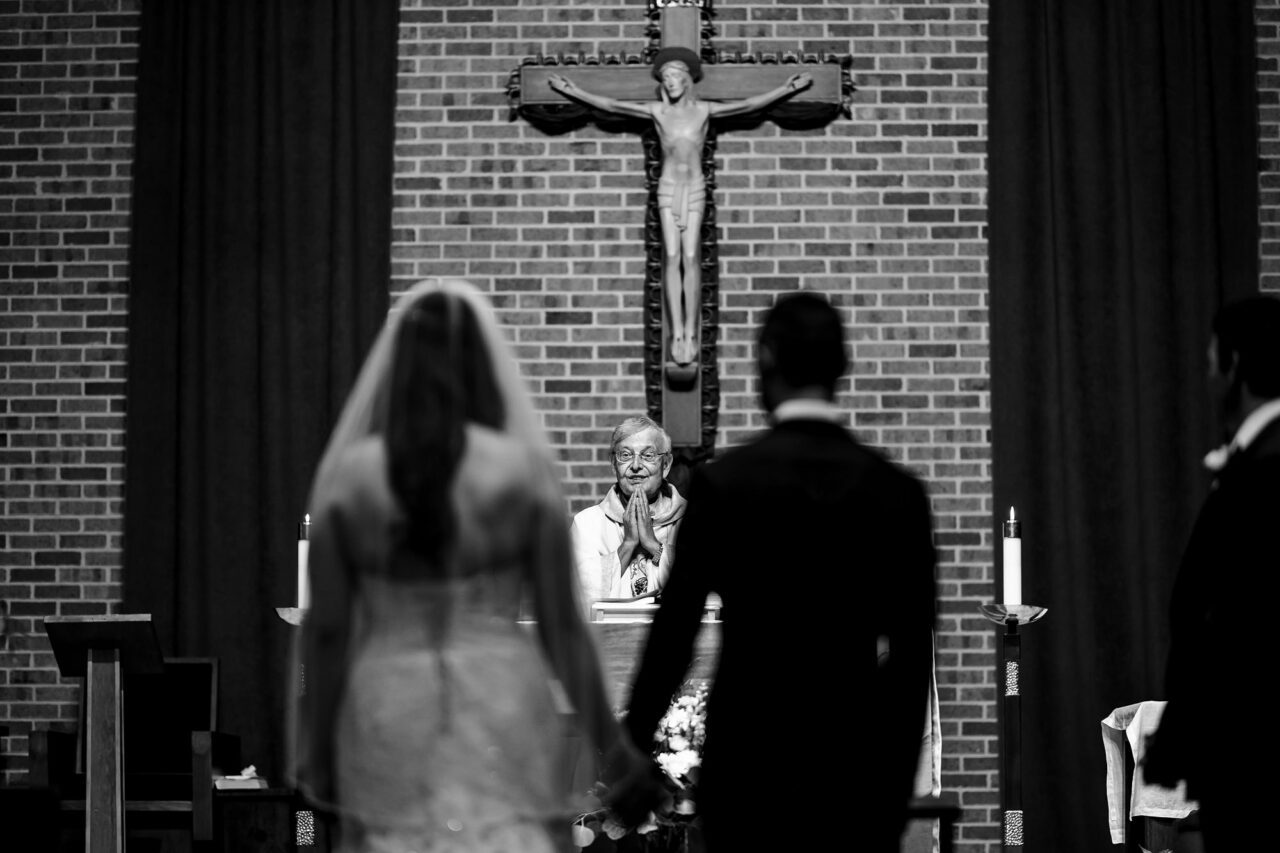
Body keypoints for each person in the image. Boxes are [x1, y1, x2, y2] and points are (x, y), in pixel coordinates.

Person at [289, 279, 663, 852]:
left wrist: (316, 744)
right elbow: (564, 629)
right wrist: (614, 747)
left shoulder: (353, 477)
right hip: (501, 697)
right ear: (483, 368)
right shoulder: (518, 473)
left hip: (387, 697)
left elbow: (329, 629)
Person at [623, 291, 938, 852]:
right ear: (843, 366)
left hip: (746, 770)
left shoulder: (727, 485)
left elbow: (674, 633)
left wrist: (631, 753)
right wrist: (888, 794)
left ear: (765, 361)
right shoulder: (898, 495)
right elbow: (911, 661)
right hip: (851, 776)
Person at [548, 48, 812, 369]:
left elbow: (748, 104)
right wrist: (572, 91)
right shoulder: (658, 112)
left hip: (695, 188)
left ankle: (691, 330)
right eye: (665, 78)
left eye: (674, 77)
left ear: (686, 81)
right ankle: (677, 332)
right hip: (669, 188)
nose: (670, 83)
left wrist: (788, 88)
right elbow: (613, 105)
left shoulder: (703, 111)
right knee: (672, 257)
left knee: (690, 256)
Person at [1142, 294, 1280, 852]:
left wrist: (1184, 741)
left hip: (1253, 749)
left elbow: (1232, 622)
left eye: (1212, 357)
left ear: (1237, 364)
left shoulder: (1267, 471)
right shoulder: (1252, 460)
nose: (1205, 370)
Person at [571, 416, 688, 605]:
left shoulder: (692, 520)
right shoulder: (587, 524)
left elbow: (704, 584)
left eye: (648, 455)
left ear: (665, 465)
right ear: (614, 465)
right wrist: (628, 545)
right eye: (625, 455)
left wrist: (654, 546)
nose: (635, 465)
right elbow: (575, 592)